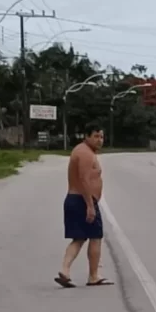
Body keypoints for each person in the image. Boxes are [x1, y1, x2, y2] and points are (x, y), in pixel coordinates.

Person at [55, 123, 113, 288]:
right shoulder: (85, 153)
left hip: (75, 199)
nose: (99, 140)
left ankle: (65, 270)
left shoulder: (81, 151)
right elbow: (84, 180)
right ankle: (93, 276)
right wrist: (90, 205)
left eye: (101, 136)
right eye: (96, 136)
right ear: (86, 137)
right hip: (83, 200)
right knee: (95, 236)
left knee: (79, 238)